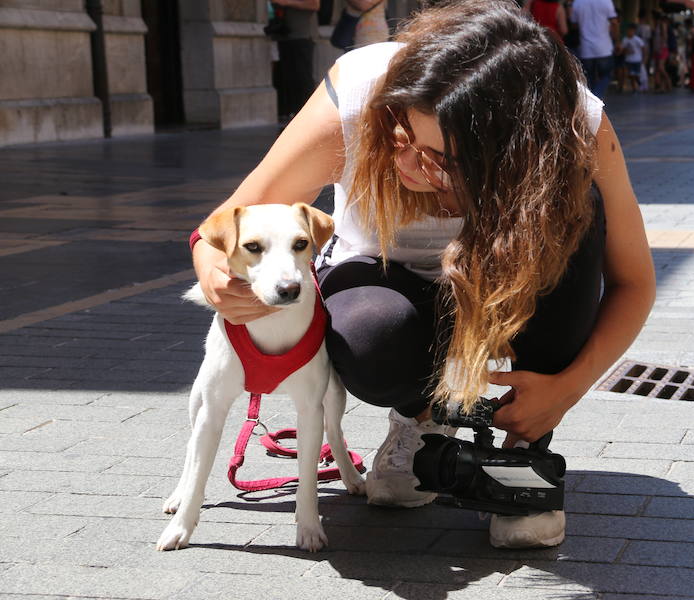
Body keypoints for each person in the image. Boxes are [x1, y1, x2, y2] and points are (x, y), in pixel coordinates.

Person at [189, 0, 655, 550]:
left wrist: (566, 389)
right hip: (385, 276)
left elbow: (633, 282)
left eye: (440, 158)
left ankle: (524, 451)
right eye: (403, 134)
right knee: (369, 335)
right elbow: (216, 230)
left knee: (579, 215)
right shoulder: (360, 94)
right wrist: (219, 279)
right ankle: (418, 418)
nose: (409, 162)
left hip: (509, 280)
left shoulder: (573, 125)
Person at [273, 0, 321, 119]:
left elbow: (315, 4)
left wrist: (286, 2)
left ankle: (310, 115)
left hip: (303, 36)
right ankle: (290, 113)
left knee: (302, 78)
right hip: (285, 34)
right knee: (287, 78)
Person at [571, 0, 621, 98]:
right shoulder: (606, 2)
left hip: (586, 49)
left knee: (589, 79)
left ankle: (591, 100)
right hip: (604, 48)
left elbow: (574, 24)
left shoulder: (578, 2)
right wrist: (617, 41)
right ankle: (596, 98)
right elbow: (614, 23)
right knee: (606, 75)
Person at [621, 23, 645, 92]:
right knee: (631, 75)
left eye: (631, 30)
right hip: (628, 60)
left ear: (634, 31)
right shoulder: (625, 39)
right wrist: (626, 51)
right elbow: (623, 49)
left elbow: (643, 48)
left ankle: (639, 83)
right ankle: (634, 89)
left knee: (636, 75)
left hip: (637, 60)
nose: (629, 32)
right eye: (628, 30)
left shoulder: (637, 39)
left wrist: (644, 57)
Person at [651, 12, 672, 92]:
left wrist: (660, 47)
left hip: (662, 49)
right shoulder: (656, 25)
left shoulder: (661, 24)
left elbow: (664, 36)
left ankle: (668, 81)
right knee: (657, 69)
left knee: (660, 67)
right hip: (657, 49)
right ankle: (660, 86)